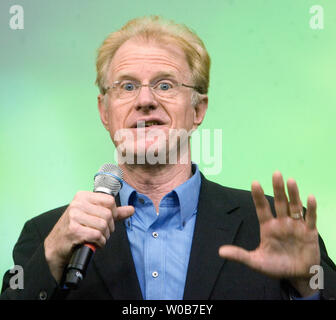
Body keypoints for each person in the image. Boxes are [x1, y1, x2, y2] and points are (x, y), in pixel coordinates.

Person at [1, 15, 336, 300]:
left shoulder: (276, 226)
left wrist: (309, 285)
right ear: (104, 111)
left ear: (198, 109)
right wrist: (49, 258)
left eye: (165, 85)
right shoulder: (47, 234)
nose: (145, 100)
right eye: (127, 87)